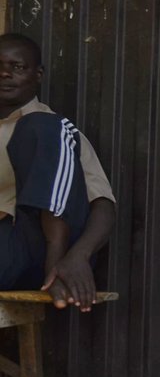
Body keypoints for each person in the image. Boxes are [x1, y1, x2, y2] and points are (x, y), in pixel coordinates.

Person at [0, 33, 115, 310]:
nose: (5, 74)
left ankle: (56, 265)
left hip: (42, 246)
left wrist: (78, 257)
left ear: (37, 75)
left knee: (39, 126)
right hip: (5, 254)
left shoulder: (54, 129)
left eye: (17, 67)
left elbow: (103, 204)